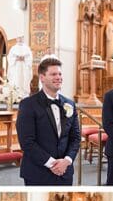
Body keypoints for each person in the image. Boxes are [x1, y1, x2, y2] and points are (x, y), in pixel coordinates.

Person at [16, 56, 80, 186]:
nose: (58, 77)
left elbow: (75, 137)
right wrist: (52, 164)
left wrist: (66, 161)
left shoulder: (69, 104)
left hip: (65, 172)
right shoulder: (28, 104)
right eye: (53, 74)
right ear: (42, 77)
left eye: (60, 74)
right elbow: (27, 142)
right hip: (38, 173)